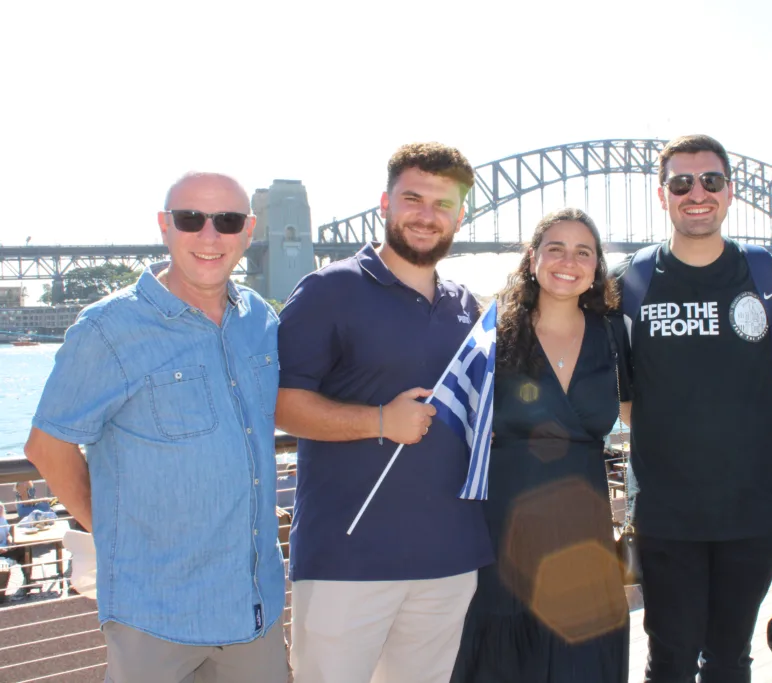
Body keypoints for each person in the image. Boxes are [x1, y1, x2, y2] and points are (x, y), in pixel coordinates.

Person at [24, 172, 287, 683]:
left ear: (249, 231)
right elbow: (47, 444)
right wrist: (112, 534)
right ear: (165, 226)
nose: (210, 236)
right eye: (191, 219)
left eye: (227, 220)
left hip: (254, 607)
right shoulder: (107, 329)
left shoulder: (259, 319)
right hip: (155, 613)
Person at [276, 142, 492, 683]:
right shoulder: (329, 289)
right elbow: (280, 405)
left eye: (443, 204)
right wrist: (378, 421)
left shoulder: (467, 306)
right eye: (413, 198)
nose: (426, 215)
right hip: (348, 561)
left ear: (460, 216)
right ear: (385, 203)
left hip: (449, 556)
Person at [611, 134, 772, 682]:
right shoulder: (630, 282)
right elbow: (625, 399)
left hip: (754, 512)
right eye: (681, 183)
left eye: (711, 181)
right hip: (668, 516)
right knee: (670, 660)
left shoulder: (767, 275)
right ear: (661, 195)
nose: (697, 193)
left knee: (729, 658)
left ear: (730, 191)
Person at [451, 208, 631, 683]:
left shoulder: (613, 333)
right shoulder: (492, 332)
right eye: (555, 249)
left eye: (583, 252)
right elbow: (453, 419)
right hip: (505, 527)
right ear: (532, 259)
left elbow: (642, 410)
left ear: (596, 266)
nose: (568, 262)